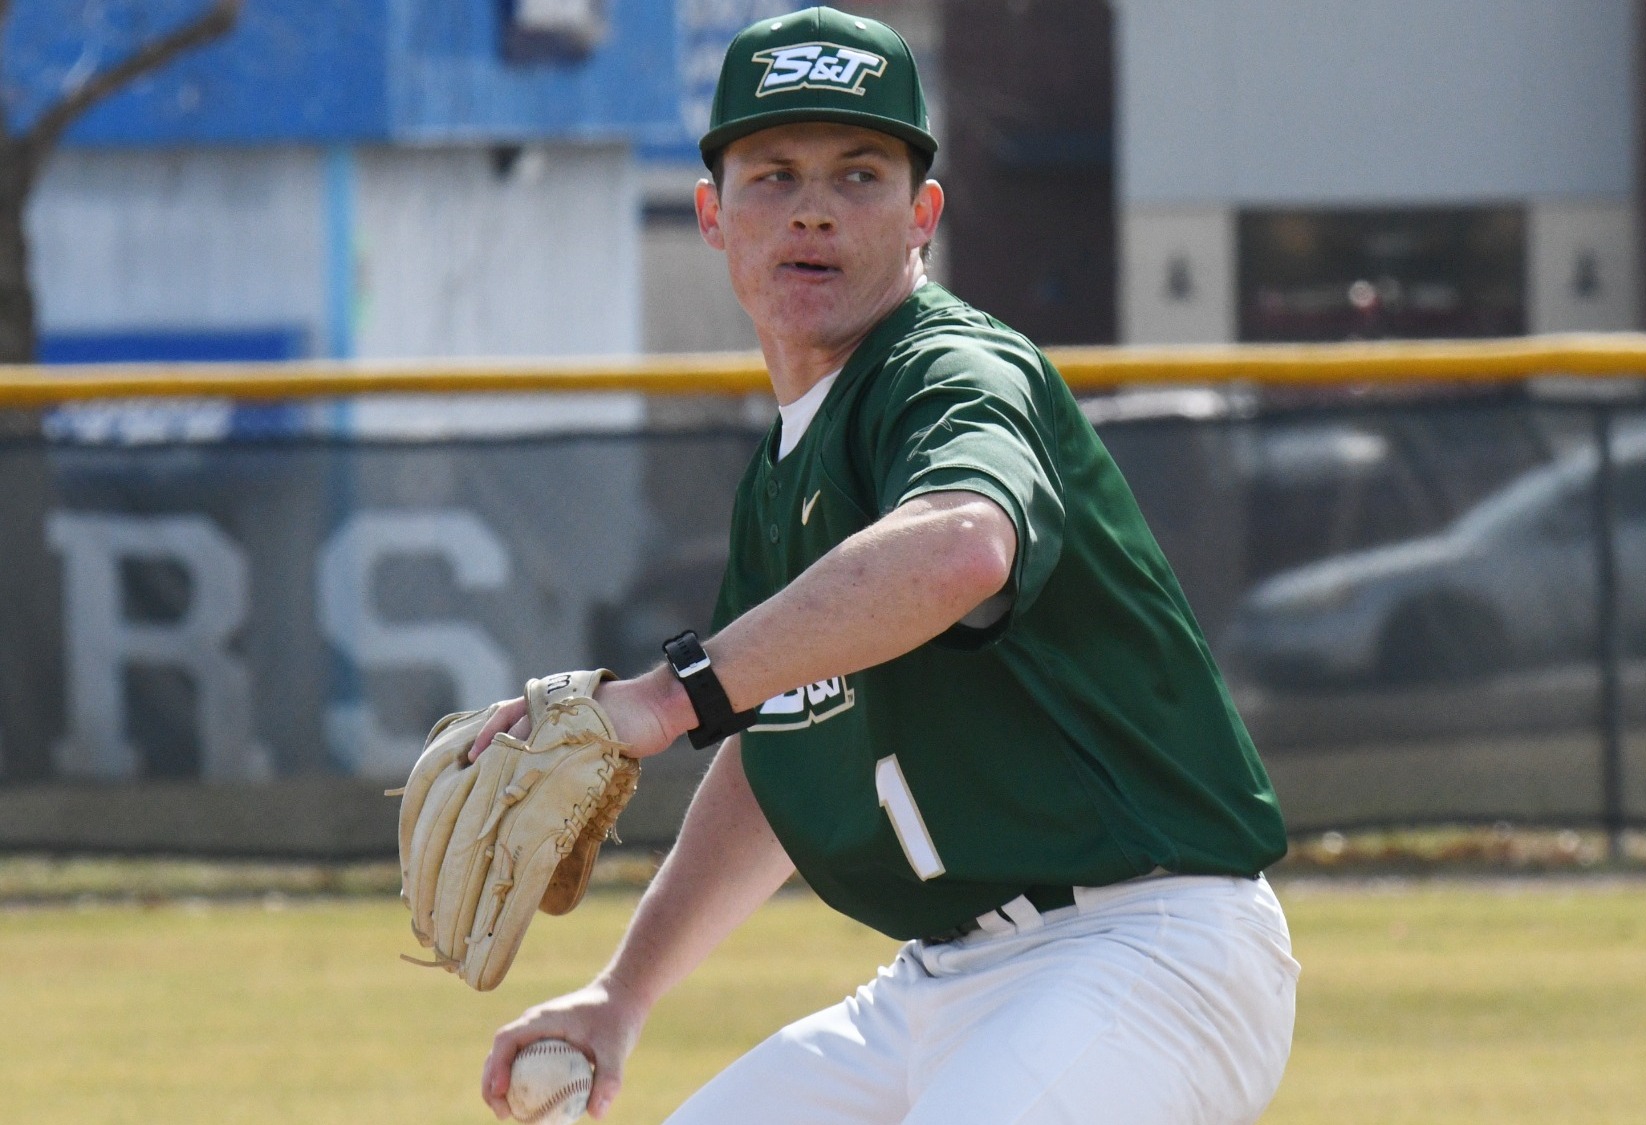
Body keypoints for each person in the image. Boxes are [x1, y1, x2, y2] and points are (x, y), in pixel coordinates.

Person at [473, 7, 1296, 1122]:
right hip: (940, 984)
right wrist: (624, 995)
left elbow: (962, 546)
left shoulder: (947, 375)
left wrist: (666, 699)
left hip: (1137, 949)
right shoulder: (786, 470)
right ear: (712, 215)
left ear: (922, 216)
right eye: (772, 174)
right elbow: (777, 744)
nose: (812, 206)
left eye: (858, 173)